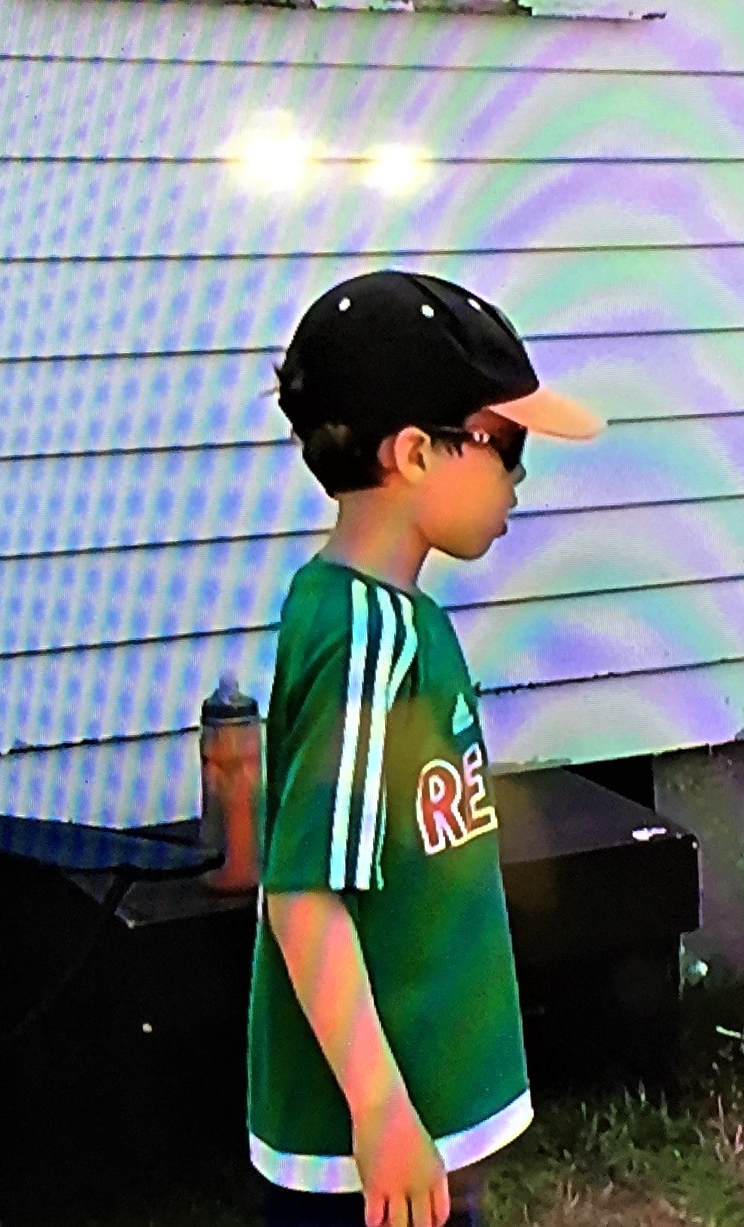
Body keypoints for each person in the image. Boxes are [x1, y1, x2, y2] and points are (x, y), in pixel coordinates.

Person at [250, 270, 602, 1227]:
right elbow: (305, 894)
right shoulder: (368, 639)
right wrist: (379, 1109)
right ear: (414, 453)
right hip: (381, 1146)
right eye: (508, 445)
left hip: (420, 1119)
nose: (519, 478)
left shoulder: (381, 617)